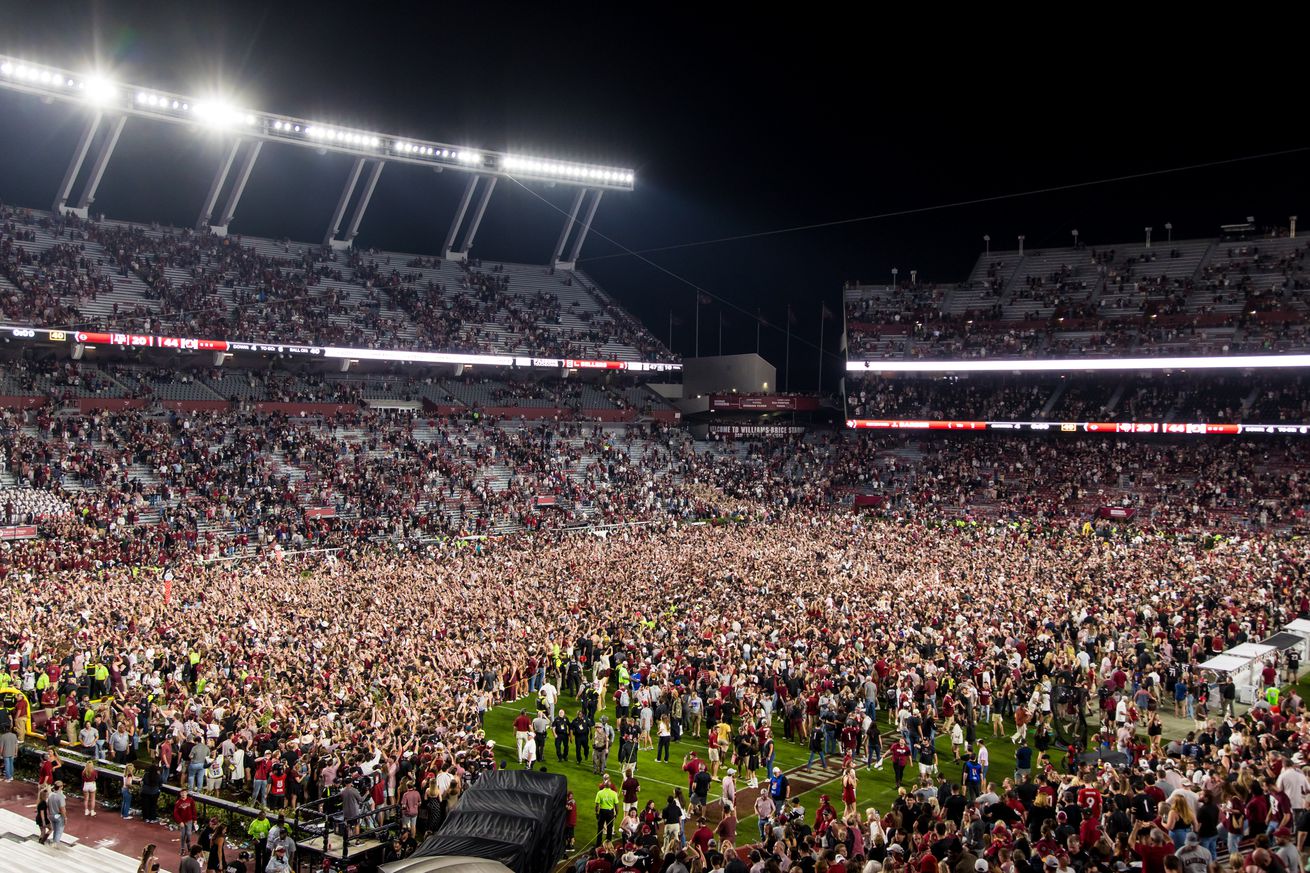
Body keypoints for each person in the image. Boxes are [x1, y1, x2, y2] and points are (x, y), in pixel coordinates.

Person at [175, 786, 199, 855]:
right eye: (182, 793)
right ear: (180, 794)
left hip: (189, 820)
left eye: (184, 793)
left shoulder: (190, 800)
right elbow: (176, 813)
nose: (183, 794)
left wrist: (195, 819)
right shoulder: (178, 803)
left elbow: (193, 810)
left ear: (187, 793)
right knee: (183, 835)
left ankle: (189, 846)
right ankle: (182, 849)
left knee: (188, 834)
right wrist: (180, 822)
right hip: (182, 821)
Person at [595, 779, 620, 843]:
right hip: (610, 812)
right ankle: (608, 843)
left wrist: (596, 813)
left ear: (604, 785)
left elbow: (597, 805)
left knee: (600, 828)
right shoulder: (614, 793)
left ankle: (598, 843)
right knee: (610, 828)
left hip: (602, 811)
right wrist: (616, 813)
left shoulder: (600, 793)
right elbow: (616, 805)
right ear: (610, 786)